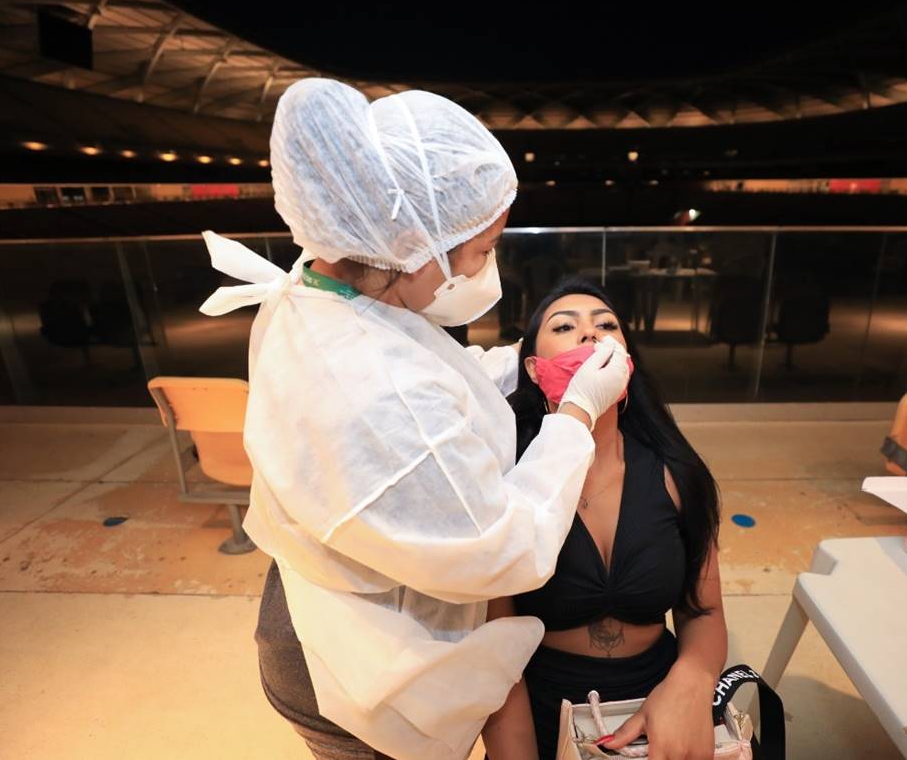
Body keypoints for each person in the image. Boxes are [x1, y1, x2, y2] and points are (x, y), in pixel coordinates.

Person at [197, 79, 632, 760]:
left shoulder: (325, 284)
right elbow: (505, 548)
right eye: (482, 248)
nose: (488, 266)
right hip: (347, 664)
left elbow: (423, 368)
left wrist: (517, 366)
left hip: (327, 605)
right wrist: (575, 411)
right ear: (408, 241)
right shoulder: (377, 393)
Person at [482, 278, 726, 760]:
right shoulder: (505, 478)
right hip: (536, 708)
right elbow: (493, 651)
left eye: (606, 326)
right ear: (533, 368)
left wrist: (691, 681)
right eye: (564, 326)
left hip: (661, 703)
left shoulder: (677, 473)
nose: (590, 334)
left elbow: (705, 611)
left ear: (627, 362)